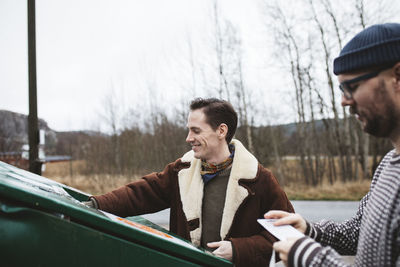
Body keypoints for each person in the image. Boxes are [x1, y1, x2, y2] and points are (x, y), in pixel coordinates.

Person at [87, 98, 294, 267]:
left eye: (196, 131)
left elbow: (288, 235)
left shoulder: (259, 180)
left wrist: (239, 250)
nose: (188, 138)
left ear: (221, 131)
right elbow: (140, 193)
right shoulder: (181, 171)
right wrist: (95, 204)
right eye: (189, 130)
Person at [265, 23, 400, 267]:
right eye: (341, 89)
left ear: (397, 76)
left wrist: (312, 258)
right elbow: (357, 233)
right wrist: (309, 230)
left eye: (352, 86)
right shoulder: (387, 167)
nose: (344, 101)